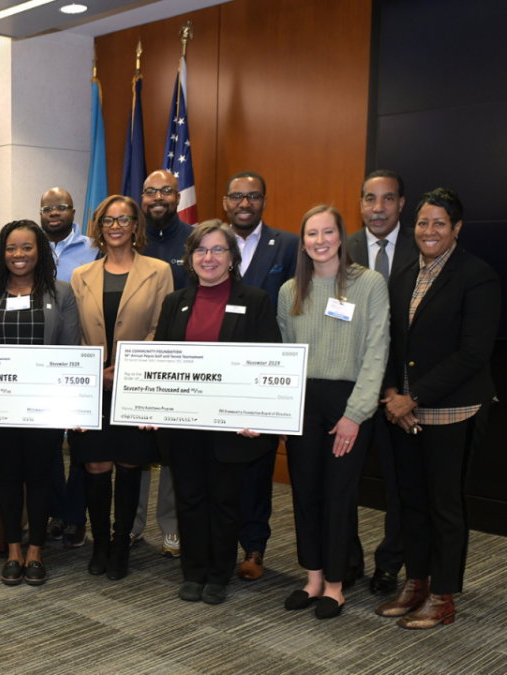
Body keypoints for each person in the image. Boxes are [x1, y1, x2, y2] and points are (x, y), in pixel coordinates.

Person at [376, 188, 500, 630]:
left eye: (439, 224)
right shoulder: (405, 273)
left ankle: (443, 596)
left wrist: (416, 396)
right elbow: (387, 340)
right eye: (423, 223)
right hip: (403, 412)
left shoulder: (476, 275)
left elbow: (473, 353)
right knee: (411, 502)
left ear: (457, 229)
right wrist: (392, 394)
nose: (429, 231)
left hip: (452, 412)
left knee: (444, 505)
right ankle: (417, 582)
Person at [153, 220, 281, 604]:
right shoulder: (175, 302)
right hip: (185, 425)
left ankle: (218, 574)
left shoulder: (255, 300)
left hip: (231, 427)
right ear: (190, 259)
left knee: (225, 502)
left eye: (218, 250)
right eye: (200, 250)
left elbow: (268, 363)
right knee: (189, 499)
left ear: (232, 258)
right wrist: (150, 405)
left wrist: (258, 414)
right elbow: (160, 362)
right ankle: (193, 572)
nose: (208, 258)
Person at [277, 205, 389, 620]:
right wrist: (286, 412)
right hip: (304, 402)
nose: (319, 241)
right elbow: (286, 355)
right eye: (311, 234)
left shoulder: (369, 284)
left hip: (348, 401)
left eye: (327, 232)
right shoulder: (291, 290)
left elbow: (377, 350)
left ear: (342, 236)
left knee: (338, 496)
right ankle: (313, 578)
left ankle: (337, 586)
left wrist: (355, 414)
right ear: (303, 240)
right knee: (304, 493)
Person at [0, 220, 79, 586]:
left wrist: (73, 407)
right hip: (1, 405)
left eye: (27, 247)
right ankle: (13, 549)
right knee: (9, 477)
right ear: (2, 253)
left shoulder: (61, 293)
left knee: (40, 476)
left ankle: (35, 551)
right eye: (11, 248)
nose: (19, 255)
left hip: (44, 406)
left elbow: (70, 353)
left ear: (40, 251)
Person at [70, 195, 173, 581]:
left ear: (135, 226)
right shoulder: (82, 275)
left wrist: (124, 369)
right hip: (93, 385)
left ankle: (120, 545)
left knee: (130, 464)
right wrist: (99, 370)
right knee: (96, 464)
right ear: (99, 227)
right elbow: (75, 332)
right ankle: (99, 544)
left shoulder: (159, 270)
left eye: (124, 219)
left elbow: (160, 329)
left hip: (136, 384)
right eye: (108, 220)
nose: (116, 226)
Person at [222, 170, 299, 581]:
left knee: (256, 467)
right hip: (216, 377)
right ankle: (219, 543)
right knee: (219, 466)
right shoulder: (210, 244)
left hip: (265, 376)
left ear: (264, 201)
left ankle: (254, 546)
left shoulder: (287, 244)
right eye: (237, 197)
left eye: (253, 196)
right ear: (225, 202)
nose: (245, 203)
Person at [345, 169, 418, 595]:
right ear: (360, 204)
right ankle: (348, 559)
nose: (378, 208)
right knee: (345, 482)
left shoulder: (422, 245)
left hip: (400, 392)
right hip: (353, 388)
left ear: (401, 204)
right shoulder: (343, 247)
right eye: (370, 199)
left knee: (400, 485)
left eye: (387, 199)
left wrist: (393, 388)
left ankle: (390, 563)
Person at [135, 168, 196, 558]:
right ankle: (134, 525)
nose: (158, 197)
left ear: (178, 197)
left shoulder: (194, 241)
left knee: (173, 450)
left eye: (167, 191)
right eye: (150, 191)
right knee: (137, 449)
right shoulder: (130, 239)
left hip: (180, 355)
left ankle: (172, 527)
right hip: (136, 358)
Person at [38, 187, 98, 549]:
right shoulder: (29, 246)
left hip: (79, 354)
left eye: (61, 207)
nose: (54, 213)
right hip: (42, 360)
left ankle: (77, 518)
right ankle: (55, 513)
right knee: (47, 445)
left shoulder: (93, 248)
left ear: (74, 211)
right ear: (40, 213)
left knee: (79, 445)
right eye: (48, 208)